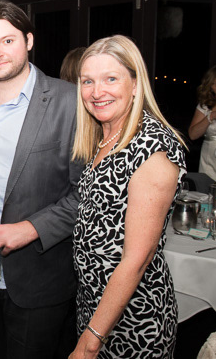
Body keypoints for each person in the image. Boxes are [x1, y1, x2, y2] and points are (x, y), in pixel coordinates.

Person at [0, 0, 81, 359]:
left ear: (29, 40)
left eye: (8, 41)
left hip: (35, 276)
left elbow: (86, 194)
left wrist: (31, 228)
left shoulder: (70, 101)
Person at [70, 35, 186, 358]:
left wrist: (90, 342)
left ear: (135, 84)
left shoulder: (151, 148)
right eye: (88, 81)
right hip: (96, 308)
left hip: (135, 321)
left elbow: (137, 260)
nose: (97, 92)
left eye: (111, 79)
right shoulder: (105, 135)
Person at [188, 64, 216, 180]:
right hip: (210, 156)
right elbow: (192, 135)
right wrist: (211, 116)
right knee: (208, 186)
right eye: (213, 83)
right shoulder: (205, 105)